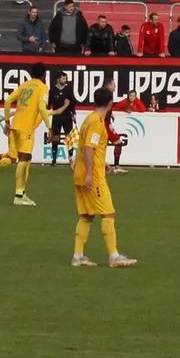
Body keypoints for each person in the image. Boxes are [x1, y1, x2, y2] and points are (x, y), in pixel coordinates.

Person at [72, 87, 138, 267]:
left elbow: (88, 147)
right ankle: (114, 256)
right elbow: (88, 147)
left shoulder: (90, 118)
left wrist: (103, 163)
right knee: (108, 213)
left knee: (87, 215)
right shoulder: (97, 121)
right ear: (110, 103)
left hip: (80, 172)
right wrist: (91, 174)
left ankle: (78, 256)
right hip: (92, 176)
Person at [0, 63, 52, 206]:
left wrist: (7, 122)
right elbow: (42, 108)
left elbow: (7, 101)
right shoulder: (43, 87)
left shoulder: (25, 85)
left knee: (26, 159)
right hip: (26, 128)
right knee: (23, 160)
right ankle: (19, 195)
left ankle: (22, 193)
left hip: (15, 125)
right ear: (44, 75)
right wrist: (49, 127)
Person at [111, 90, 147, 172]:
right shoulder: (123, 103)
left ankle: (116, 166)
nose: (132, 97)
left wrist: (133, 109)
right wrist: (124, 110)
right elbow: (115, 109)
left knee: (118, 143)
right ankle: (114, 166)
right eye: (130, 95)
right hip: (117, 125)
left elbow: (143, 110)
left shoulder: (137, 102)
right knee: (117, 143)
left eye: (133, 96)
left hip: (123, 126)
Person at [47, 72, 77, 166]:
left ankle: (71, 159)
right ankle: (54, 160)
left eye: (65, 78)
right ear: (58, 79)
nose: (65, 80)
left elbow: (72, 103)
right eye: (63, 78)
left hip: (67, 116)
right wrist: (46, 111)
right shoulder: (52, 90)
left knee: (69, 138)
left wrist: (73, 114)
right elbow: (49, 102)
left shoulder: (68, 89)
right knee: (55, 138)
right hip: (57, 116)